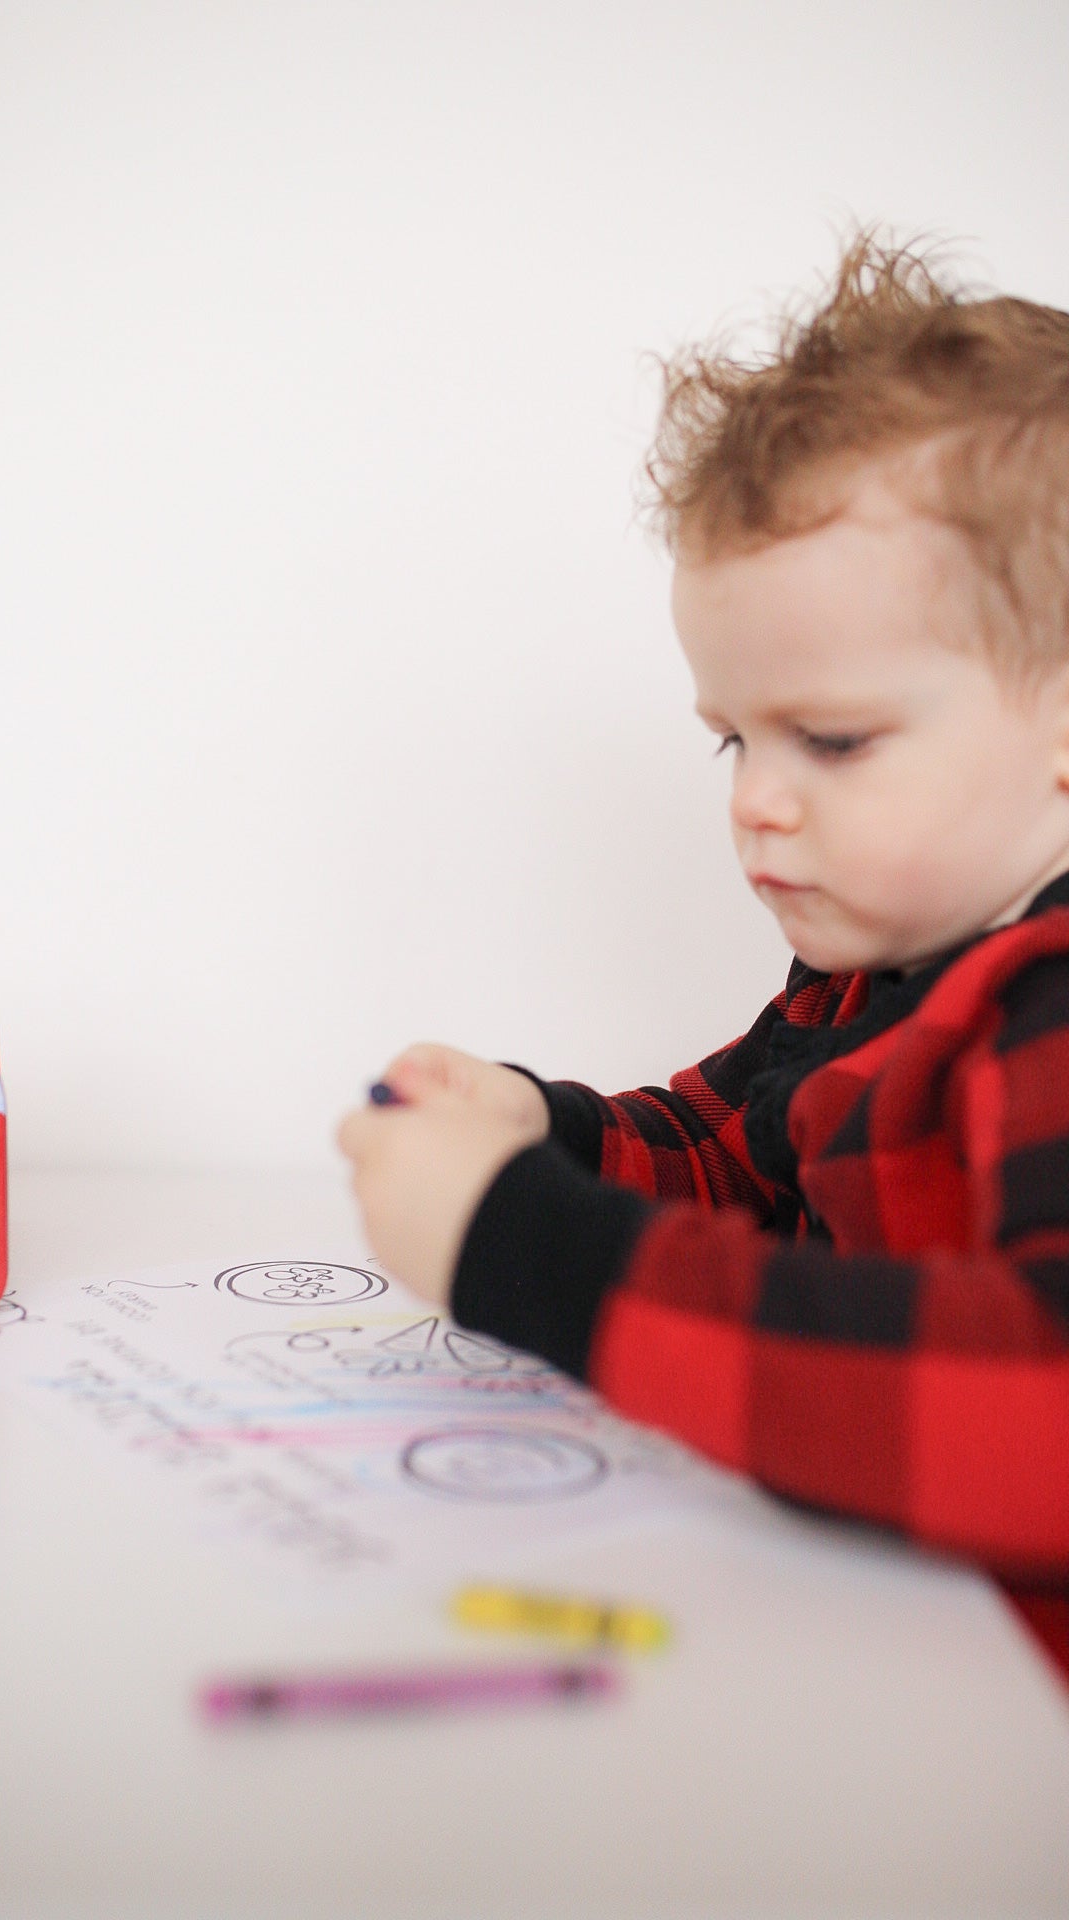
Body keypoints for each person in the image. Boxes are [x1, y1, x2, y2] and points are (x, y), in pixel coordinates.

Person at [336, 232, 1069, 1644]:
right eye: (734, 739)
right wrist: (534, 1135)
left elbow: (1038, 1413)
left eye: (833, 739)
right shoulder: (877, 972)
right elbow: (736, 1156)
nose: (756, 805)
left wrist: (528, 1251)